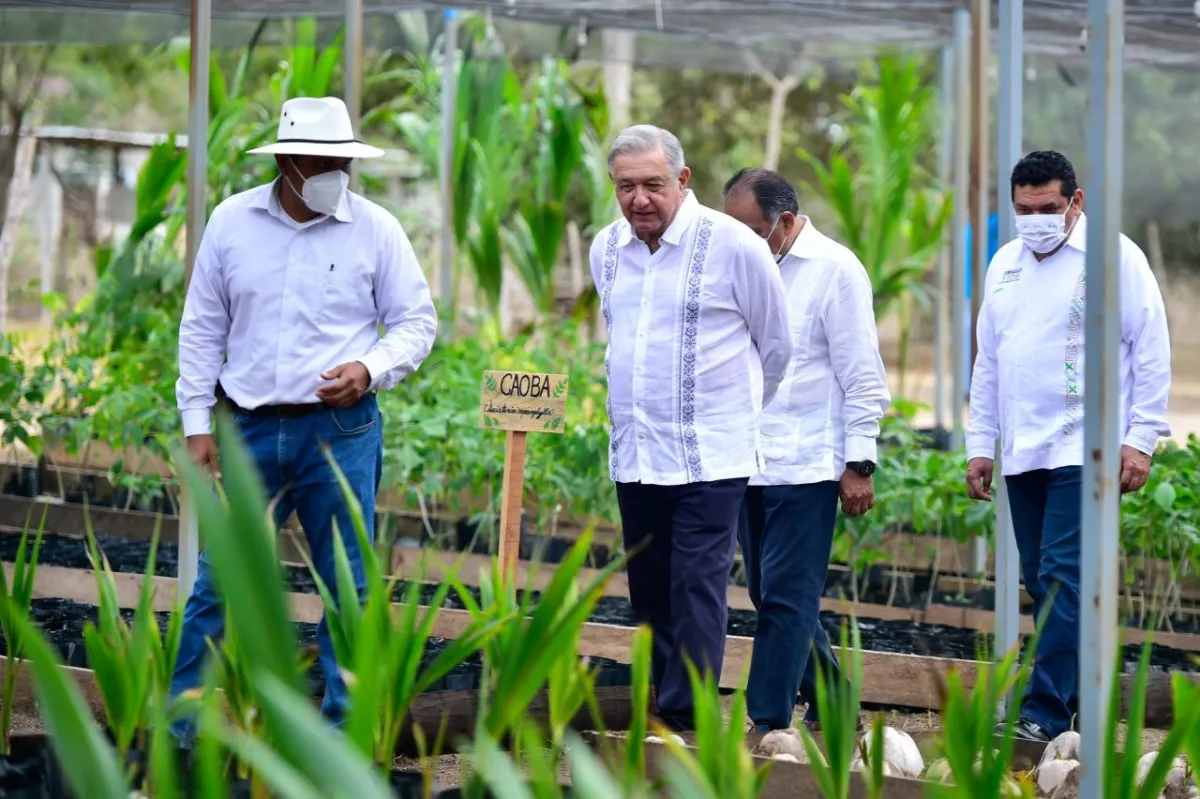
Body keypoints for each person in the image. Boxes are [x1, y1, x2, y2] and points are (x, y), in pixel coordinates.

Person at [172, 96, 438, 737]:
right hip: (248, 431)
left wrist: (369, 369)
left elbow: (416, 323)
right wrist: (197, 423)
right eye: (322, 161)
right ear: (288, 162)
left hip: (338, 434)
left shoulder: (376, 228)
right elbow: (202, 326)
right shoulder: (232, 223)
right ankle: (181, 734)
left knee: (347, 588)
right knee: (218, 585)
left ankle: (341, 741)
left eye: (342, 161)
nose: (335, 173)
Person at [590, 125, 793, 732]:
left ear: (682, 180)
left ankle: (687, 723)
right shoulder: (606, 249)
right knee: (649, 592)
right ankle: (662, 709)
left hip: (711, 457)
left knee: (697, 589)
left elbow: (775, 346)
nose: (639, 199)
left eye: (653, 184)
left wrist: (734, 416)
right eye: (625, 187)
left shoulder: (734, 246)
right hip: (637, 454)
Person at [966, 150, 1171, 742]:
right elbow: (991, 360)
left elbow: (1150, 346)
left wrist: (1141, 438)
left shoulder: (1114, 257)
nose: (1035, 219)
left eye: (1048, 208)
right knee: (1043, 577)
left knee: (1060, 576)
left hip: (1090, 446)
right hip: (1024, 447)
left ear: (1075, 202)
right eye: (1023, 210)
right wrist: (982, 442)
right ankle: (1078, 704)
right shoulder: (1004, 263)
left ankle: (1043, 712)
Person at [722, 168, 889, 733]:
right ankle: (838, 705)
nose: (740, 241)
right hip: (748, 460)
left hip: (810, 462)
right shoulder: (744, 269)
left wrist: (859, 462)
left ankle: (765, 722)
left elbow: (863, 376)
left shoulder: (836, 271)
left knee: (788, 597)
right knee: (769, 591)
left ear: (785, 222)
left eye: (750, 230)